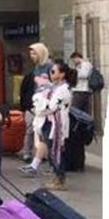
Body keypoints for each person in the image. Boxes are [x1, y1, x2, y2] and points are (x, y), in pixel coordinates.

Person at [21, 60, 73, 190]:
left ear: (62, 74)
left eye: (53, 71)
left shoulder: (63, 89)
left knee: (56, 150)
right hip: (48, 121)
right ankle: (57, 177)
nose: (51, 73)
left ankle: (60, 180)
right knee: (51, 150)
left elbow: (51, 106)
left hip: (56, 123)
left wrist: (40, 103)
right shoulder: (53, 87)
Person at [18, 42, 53, 163]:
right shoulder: (37, 68)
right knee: (31, 129)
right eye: (31, 53)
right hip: (35, 103)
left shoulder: (50, 67)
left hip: (46, 104)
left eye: (34, 53)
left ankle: (44, 154)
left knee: (43, 131)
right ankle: (28, 153)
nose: (32, 56)